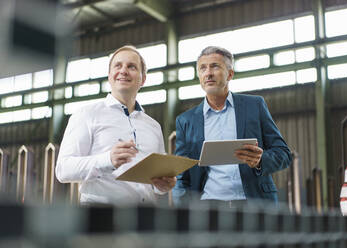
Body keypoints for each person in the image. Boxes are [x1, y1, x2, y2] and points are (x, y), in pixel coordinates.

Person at [56, 45, 176, 206]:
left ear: (143, 79)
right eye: (118, 66)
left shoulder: (153, 126)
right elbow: (63, 169)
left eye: (131, 67)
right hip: (101, 218)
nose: (124, 71)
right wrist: (107, 160)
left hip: (144, 218)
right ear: (109, 76)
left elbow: (156, 183)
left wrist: (163, 186)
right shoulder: (87, 114)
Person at [172, 46, 292, 207]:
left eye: (215, 66)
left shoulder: (254, 106)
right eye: (202, 68)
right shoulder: (185, 120)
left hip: (254, 204)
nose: (208, 73)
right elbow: (182, 173)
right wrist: (182, 209)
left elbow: (283, 154)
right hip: (208, 207)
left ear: (230, 74)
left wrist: (260, 161)